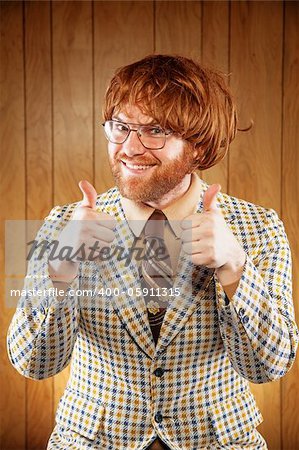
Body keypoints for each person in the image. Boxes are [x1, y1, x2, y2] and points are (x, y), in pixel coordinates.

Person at [7, 54, 298, 450]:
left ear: (198, 145)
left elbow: (268, 367)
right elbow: (34, 364)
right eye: (121, 128)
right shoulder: (64, 225)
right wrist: (60, 270)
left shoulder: (259, 228)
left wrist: (235, 268)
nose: (129, 148)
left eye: (155, 131)